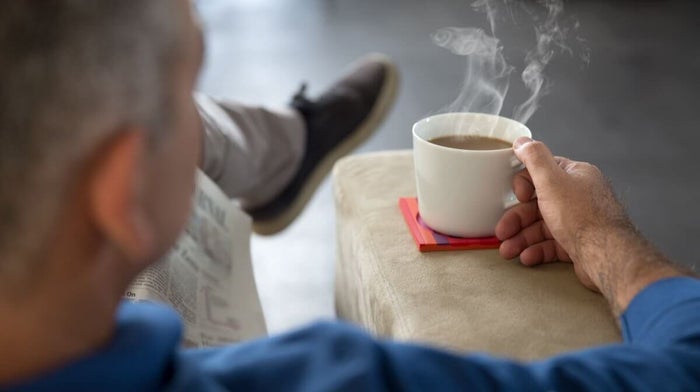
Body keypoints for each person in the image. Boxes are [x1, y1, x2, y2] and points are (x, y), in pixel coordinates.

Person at [1, 1, 698, 391]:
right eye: (188, 95)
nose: (199, 116)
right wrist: (610, 244)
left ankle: (284, 153)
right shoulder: (328, 380)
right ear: (122, 193)